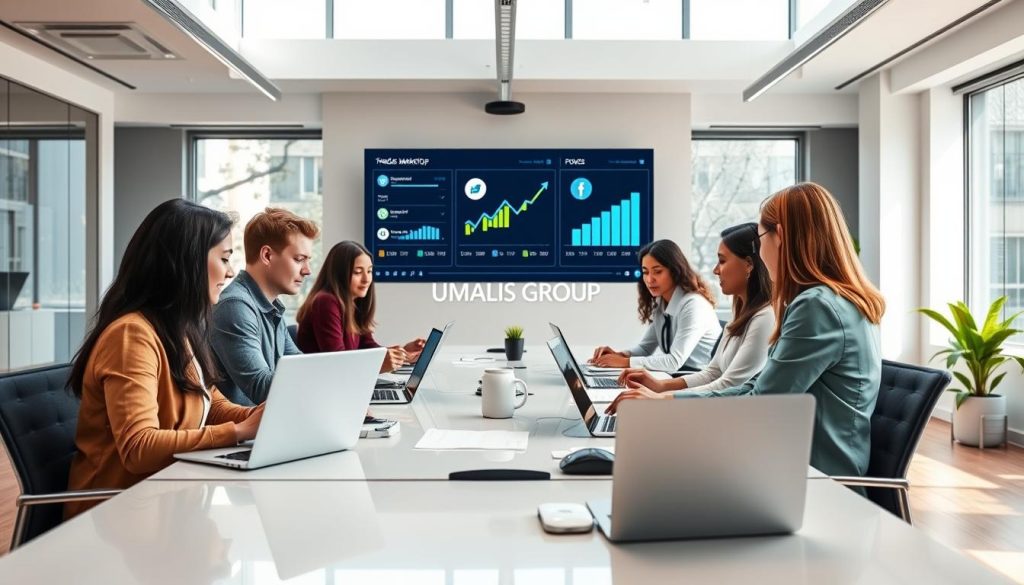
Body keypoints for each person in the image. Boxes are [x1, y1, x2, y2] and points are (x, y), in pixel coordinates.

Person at [619, 183, 885, 478]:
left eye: (760, 240)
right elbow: (755, 387)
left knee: (652, 468)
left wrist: (666, 402)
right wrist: (665, 399)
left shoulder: (816, 307)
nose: (759, 253)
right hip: (793, 459)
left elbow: (763, 401)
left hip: (814, 476)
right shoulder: (832, 300)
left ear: (780, 236)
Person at [66, 199, 263, 518]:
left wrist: (258, 416)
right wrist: (239, 432)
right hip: (115, 518)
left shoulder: (177, 329)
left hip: (163, 501)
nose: (229, 272)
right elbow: (139, 448)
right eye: (224, 258)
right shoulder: (131, 335)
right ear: (188, 261)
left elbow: (208, 403)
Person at [606, 222, 774, 410]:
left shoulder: (764, 318)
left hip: (730, 412)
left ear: (749, 265)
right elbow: (713, 372)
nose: (715, 270)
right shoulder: (742, 313)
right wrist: (659, 386)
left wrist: (661, 397)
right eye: (646, 273)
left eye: (722, 261)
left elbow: (728, 385)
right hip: (713, 401)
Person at [210, 208, 319, 405]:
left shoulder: (272, 306)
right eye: (299, 259)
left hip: (267, 427)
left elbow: (302, 367)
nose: (307, 270)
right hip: (242, 433)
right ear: (267, 255)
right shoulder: (235, 306)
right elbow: (262, 388)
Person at [590, 239, 721, 372]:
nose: (649, 279)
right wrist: (620, 355)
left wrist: (625, 362)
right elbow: (645, 348)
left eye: (657, 271)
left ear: (675, 271)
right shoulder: (662, 303)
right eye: (645, 272)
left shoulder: (693, 305)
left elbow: (673, 361)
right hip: (679, 376)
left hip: (697, 380)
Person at [295, 240, 424, 372]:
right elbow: (338, 362)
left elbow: (367, 345)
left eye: (369, 271)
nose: (366, 279)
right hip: (325, 386)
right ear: (339, 274)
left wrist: (401, 354)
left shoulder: (353, 302)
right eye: (357, 272)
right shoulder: (325, 302)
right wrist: (378, 365)